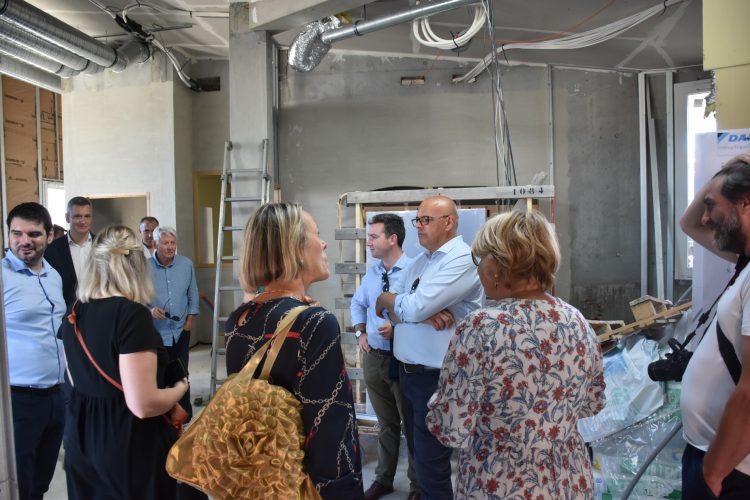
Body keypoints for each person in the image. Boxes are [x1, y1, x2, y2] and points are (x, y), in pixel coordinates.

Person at [425, 209, 606, 499]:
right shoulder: (577, 320)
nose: (478, 268)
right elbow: (593, 403)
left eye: (479, 260)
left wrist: (436, 401)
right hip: (569, 481)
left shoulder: (481, 327)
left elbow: (451, 427)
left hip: (503, 483)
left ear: (497, 265)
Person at [225, 202, 364, 499]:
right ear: (295, 248)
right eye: (317, 233)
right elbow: (330, 425)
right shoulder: (315, 321)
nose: (324, 242)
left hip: (259, 481)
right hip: (304, 487)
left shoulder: (240, 318)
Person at [58, 225, 189, 499]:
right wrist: (180, 389)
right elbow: (142, 404)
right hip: (126, 438)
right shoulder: (131, 316)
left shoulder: (73, 313)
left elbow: (73, 378)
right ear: (137, 267)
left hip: (82, 435)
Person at [376, 195, 483, 499]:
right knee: (421, 463)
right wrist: (411, 310)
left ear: (449, 222)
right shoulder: (420, 261)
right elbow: (385, 308)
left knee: (432, 468)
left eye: (426, 220)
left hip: (437, 378)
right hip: (408, 374)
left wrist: (408, 309)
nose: (419, 227)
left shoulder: (462, 259)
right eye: (418, 220)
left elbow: (410, 308)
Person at [678, 153, 750, 499]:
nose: (705, 217)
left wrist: (714, 472)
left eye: (712, 205)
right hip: (715, 456)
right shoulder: (745, 263)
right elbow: (688, 224)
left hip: (730, 469)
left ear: (746, 203)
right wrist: (725, 172)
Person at [350, 213, 419, 500]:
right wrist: (360, 333)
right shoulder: (372, 273)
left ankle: (418, 485)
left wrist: (399, 327)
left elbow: (425, 314)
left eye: (374, 236)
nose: (369, 242)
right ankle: (383, 479)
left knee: (413, 426)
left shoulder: (417, 270)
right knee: (386, 424)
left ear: (392, 239)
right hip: (374, 359)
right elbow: (358, 303)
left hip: (405, 361)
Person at [3, 202, 66, 500]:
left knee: (42, 480)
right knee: (20, 484)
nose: (24, 241)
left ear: (50, 236)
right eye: (16, 233)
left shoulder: (53, 275)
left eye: (33, 234)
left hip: (56, 395)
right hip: (18, 399)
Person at [148, 226, 199, 420]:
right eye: (165, 243)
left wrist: (190, 321)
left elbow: (192, 294)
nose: (170, 247)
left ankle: (184, 418)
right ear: (155, 244)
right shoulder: (144, 267)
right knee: (158, 376)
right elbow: (136, 300)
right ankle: (162, 418)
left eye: (172, 243)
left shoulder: (186, 264)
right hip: (155, 333)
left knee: (181, 374)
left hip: (180, 331)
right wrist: (150, 311)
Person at [45, 196, 94, 307]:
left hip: (98, 313)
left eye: (87, 216)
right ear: (67, 217)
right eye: (77, 216)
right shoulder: (51, 250)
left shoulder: (102, 246)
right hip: (65, 315)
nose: (83, 221)